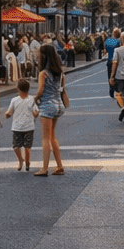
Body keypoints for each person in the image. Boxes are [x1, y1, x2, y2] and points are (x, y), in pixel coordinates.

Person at [34, 43, 68, 175]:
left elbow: (40, 91)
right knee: (53, 136)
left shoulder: (43, 74)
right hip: (58, 104)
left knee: (45, 138)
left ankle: (44, 168)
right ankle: (59, 166)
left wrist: (34, 99)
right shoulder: (60, 73)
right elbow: (62, 89)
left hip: (47, 105)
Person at [4, 79, 38, 171]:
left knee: (27, 147)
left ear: (18, 89)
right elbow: (10, 111)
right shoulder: (14, 100)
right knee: (16, 146)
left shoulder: (31, 99)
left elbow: (35, 111)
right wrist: (8, 114)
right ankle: (21, 160)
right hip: (17, 127)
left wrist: (36, 113)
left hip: (28, 127)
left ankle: (27, 162)